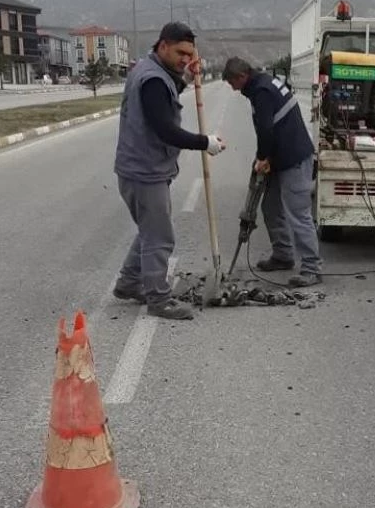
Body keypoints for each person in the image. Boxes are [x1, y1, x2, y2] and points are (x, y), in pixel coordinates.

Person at [114, 22, 226, 320]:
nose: (184, 60)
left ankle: (128, 283)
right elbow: (165, 130)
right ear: (163, 45)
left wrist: (186, 78)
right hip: (145, 171)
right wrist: (206, 142)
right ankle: (159, 300)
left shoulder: (151, 71)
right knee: (160, 238)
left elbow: (165, 95)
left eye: (189, 55)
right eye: (180, 53)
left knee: (149, 232)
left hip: (139, 168)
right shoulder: (152, 79)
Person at [222, 56, 322, 287]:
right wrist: (266, 158)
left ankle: (311, 268)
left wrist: (261, 158)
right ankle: (283, 255)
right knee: (270, 206)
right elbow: (269, 128)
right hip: (280, 157)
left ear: (242, 76)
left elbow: (266, 130)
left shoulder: (262, 91)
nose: (232, 88)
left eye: (231, 83)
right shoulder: (263, 83)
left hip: (294, 158)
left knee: (299, 213)